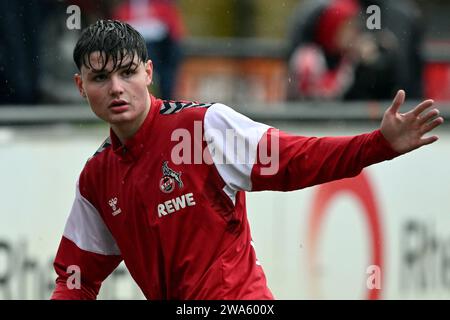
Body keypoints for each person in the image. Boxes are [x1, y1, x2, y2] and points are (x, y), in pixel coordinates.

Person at [51, 20, 443, 300]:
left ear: (149, 72)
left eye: (127, 72)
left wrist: (379, 144)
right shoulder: (96, 178)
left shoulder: (204, 126)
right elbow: (77, 280)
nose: (117, 88)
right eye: (101, 78)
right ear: (80, 86)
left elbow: (295, 159)